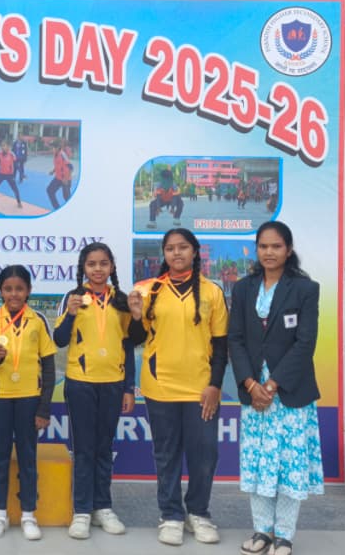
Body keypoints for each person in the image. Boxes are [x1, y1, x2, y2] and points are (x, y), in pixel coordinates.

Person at [127, 228, 227, 547]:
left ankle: (198, 512)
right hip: (161, 385)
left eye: (183, 247)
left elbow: (221, 345)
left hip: (200, 388)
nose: (176, 253)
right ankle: (170, 514)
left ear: (194, 251)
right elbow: (135, 339)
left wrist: (215, 385)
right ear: (164, 254)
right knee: (166, 453)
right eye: (170, 248)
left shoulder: (212, 292)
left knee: (204, 454)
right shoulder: (148, 290)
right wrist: (135, 316)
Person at [229, 221, 323, 555]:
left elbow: (305, 342)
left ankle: (284, 536)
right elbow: (236, 339)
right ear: (256, 249)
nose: (269, 252)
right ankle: (261, 531)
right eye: (263, 246)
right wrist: (250, 383)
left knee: (287, 466)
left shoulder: (305, 289)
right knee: (259, 464)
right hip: (254, 393)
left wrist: (270, 385)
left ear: (289, 249)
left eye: (276, 246)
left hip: (288, 392)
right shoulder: (243, 288)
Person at [53, 243, 141, 539]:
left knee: (104, 447)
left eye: (103, 263)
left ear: (112, 266)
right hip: (80, 382)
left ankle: (103, 506)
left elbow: (130, 344)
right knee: (84, 448)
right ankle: (81, 510)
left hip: (113, 383)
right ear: (84, 268)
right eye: (92, 264)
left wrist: (129, 387)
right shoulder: (73, 298)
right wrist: (70, 314)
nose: (98, 269)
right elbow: (59, 339)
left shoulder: (121, 300)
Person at [0, 265, 56, 541]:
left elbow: (48, 367)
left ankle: (28, 514)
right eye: (8, 289)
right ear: (0, 292)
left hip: (29, 398)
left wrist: (44, 407)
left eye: (19, 289)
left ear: (28, 291)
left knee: (27, 457)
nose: (14, 294)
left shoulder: (37, 321)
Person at [0, 141, 22, 208]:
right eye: (2, 146)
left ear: (7, 147)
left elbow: (16, 165)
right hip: (0, 174)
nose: (2, 147)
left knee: (15, 189)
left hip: (9, 175)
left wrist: (21, 173)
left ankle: (19, 202)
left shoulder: (12, 155)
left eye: (4, 145)